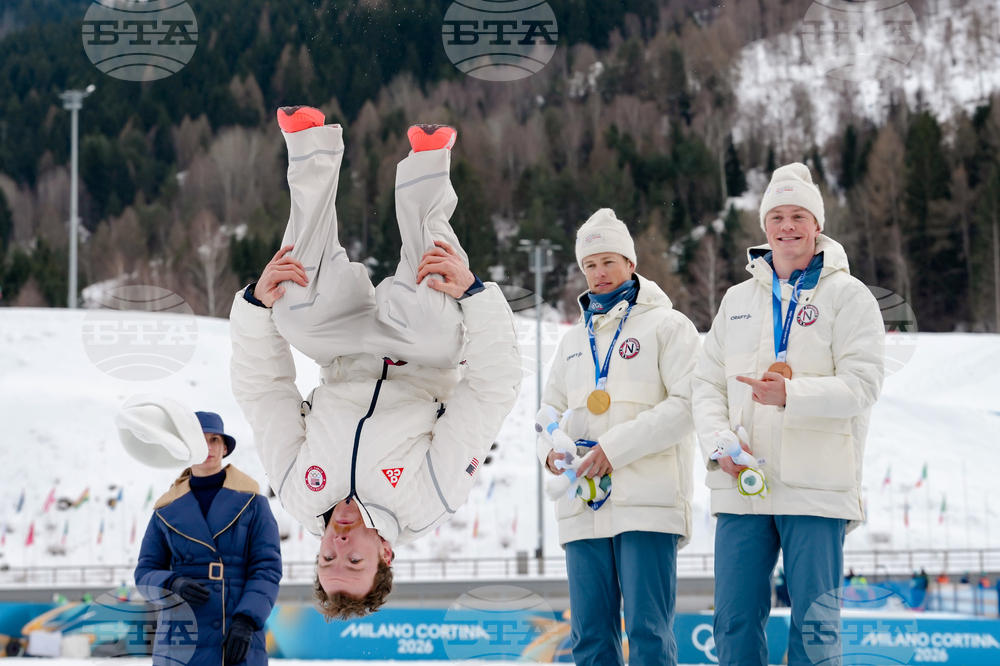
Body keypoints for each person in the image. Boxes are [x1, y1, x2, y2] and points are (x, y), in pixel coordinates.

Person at [230, 107, 521, 620]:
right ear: (386, 554)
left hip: (344, 352)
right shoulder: (426, 501)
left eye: (327, 558)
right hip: (422, 355)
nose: (338, 544)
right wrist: (475, 295)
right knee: (434, 304)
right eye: (354, 560)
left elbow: (264, 393)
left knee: (292, 305)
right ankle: (428, 164)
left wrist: (255, 306)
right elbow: (490, 391)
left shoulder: (300, 494)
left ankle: (310, 146)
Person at [692, 162, 885, 666]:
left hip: (815, 487)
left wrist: (791, 396)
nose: (787, 226)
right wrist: (718, 443)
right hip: (743, 482)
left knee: (815, 629)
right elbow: (706, 383)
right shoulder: (736, 299)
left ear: (817, 224)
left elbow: (863, 385)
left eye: (799, 215)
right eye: (777, 216)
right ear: (764, 226)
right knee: (733, 622)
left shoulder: (849, 296)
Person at [535, 208, 701, 666]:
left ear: (631, 263)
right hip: (582, 504)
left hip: (646, 503)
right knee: (590, 637)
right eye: (590, 264)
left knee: (648, 633)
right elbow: (547, 414)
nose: (599, 273)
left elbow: (688, 406)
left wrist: (614, 449)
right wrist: (549, 454)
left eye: (608, 261)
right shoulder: (572, 342)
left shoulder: (668, 326)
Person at [134, 411, 282, 666]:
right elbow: (144, 573)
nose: (207, 447)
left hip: (235, 632)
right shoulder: (164, 510)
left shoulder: (253, 503)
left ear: (224, 448)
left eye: (214, 439)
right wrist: (172, 584)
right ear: (186, 447)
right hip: (180, 637)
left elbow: (267, 568)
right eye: (198, 439)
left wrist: (247, 619)